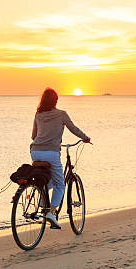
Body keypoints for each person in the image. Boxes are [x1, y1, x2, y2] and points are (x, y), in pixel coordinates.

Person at [30, 88, 90, 229]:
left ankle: (42, 200)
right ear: (56, 100)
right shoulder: (62, 114)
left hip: (35, 151)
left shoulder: (38, 115)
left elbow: (34, 136)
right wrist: (85, 137)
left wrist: (45, 138)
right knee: (60, 184)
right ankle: (51, 212)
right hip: (51, 153)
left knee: (48, 180)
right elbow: (73, 128)